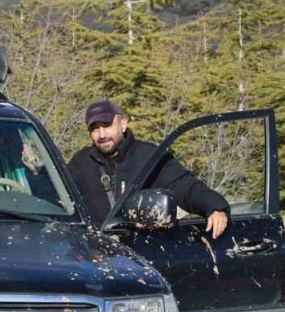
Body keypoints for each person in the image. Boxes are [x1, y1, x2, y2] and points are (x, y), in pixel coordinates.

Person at [65, 99, 229, 238]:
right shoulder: (80, 163)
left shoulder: (149, 156)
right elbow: (59, 200)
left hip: (142, 248)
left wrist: (214, 206)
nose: (101, 135)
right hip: (95, 252)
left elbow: (184, 186)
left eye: (107, 125)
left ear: (123, 124)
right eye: (94, 128)